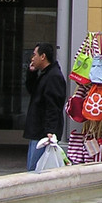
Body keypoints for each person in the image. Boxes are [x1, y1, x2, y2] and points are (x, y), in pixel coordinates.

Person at [23, 43, 66, 171]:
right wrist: (31, 73)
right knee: (33, 168)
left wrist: (50, 131)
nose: (32, 58)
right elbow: (32, 91)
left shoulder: (53, 77)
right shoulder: (45, 74)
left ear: (43, 56)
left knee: (35, 170)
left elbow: (53, 106)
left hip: (43, 134)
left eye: (34, 55)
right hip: (38, 131)